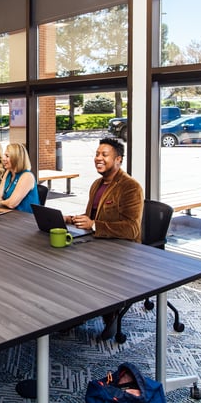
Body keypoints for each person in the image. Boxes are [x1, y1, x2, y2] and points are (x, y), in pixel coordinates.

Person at [66, 137, 143, 339]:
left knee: (92, 268)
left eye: (104, 155)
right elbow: (92, 217)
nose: (98, 158)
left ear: (118, 159)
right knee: (64, 260)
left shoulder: (130, 187)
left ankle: (111, 314)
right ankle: (75, 312)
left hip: (121, 249)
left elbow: (132, 229)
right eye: (97, 154)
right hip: (97, 241)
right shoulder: (96, 184)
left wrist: (94, 225)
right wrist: (74, 219)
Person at [0, 143, 40, 213]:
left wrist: (0, 201)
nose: (3, 158)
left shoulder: (27, 176)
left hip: (25, 219)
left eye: (7, 156)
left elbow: (12, 204)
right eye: (4, 155)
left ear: (17, 158)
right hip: (10, 215)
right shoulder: (8, 172)